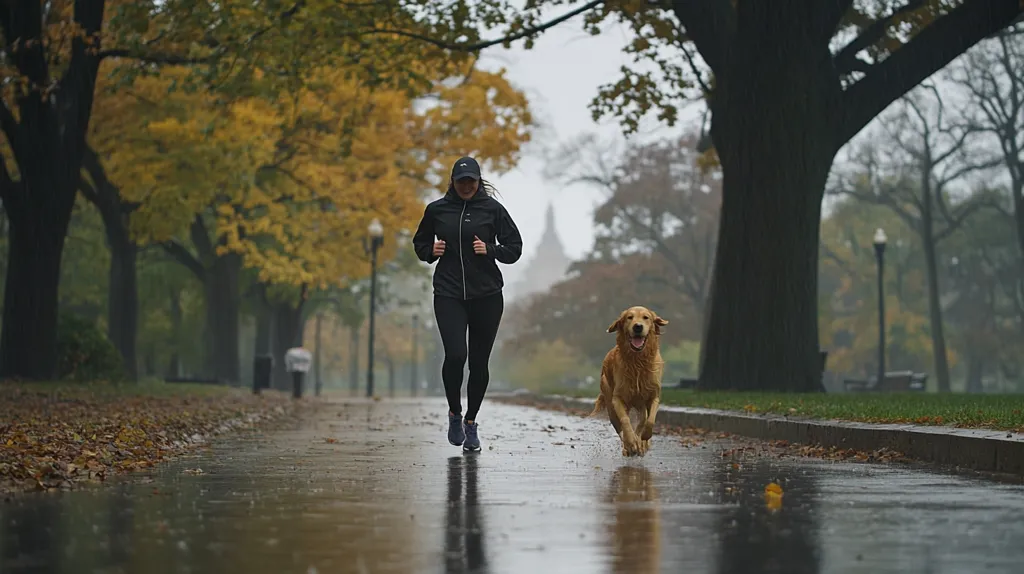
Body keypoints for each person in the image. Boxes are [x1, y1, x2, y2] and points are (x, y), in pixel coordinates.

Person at [411, 156, 523, 452]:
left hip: (487, 295)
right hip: (448, 294)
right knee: (456, 354)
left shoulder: (493, 210)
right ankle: (454, 413)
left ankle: (471, 423)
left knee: (478, 362)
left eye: (471, 181)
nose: (466, 186)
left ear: (478, 181)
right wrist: (429, 252)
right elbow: (420, 243)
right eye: (461, 181)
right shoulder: (437, 210)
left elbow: (514, 249)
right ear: (453, 182)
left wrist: (489, 249)